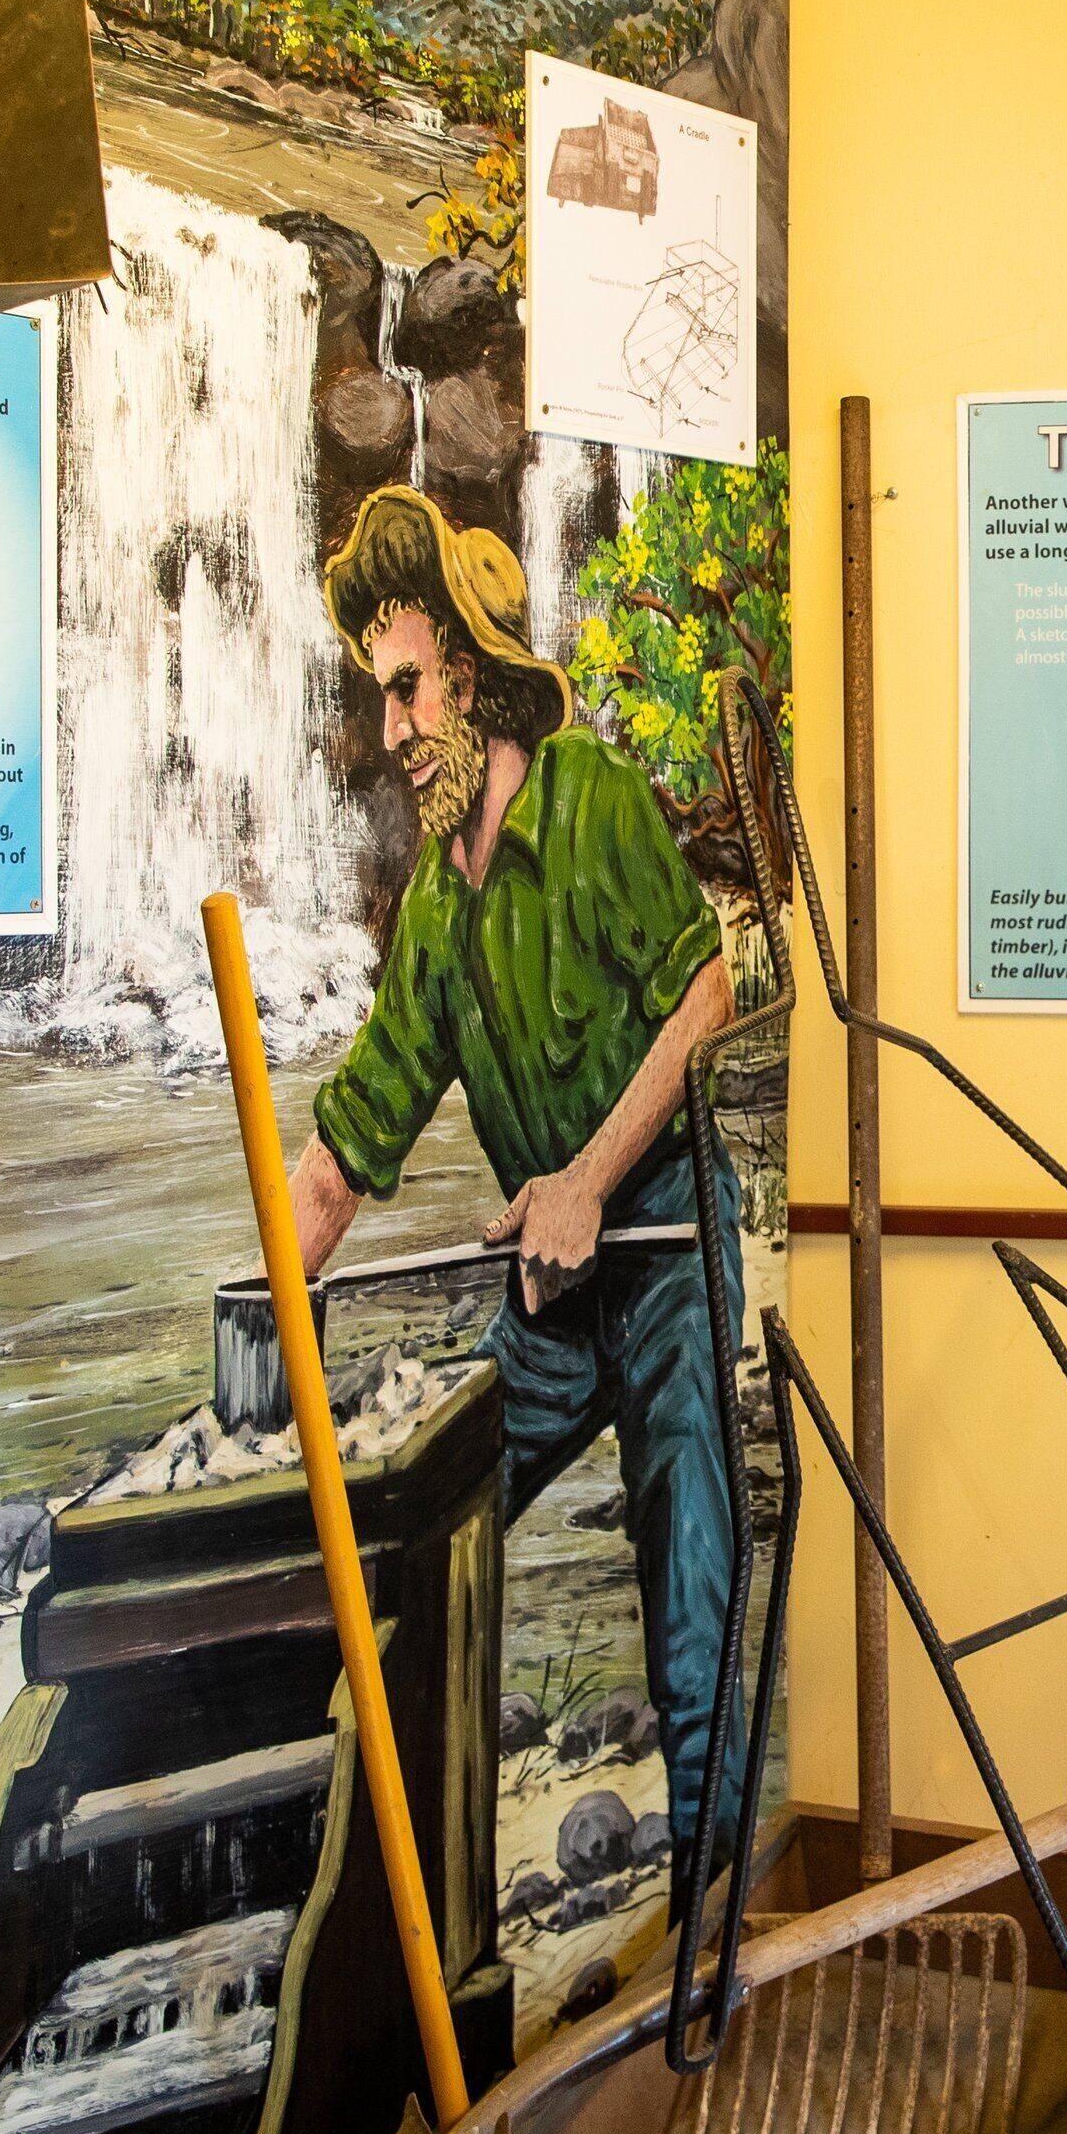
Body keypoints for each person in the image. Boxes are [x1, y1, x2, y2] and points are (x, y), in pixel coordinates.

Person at [290, 483, 748, 1869]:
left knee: (690, 1584)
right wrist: (265, 1308)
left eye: (413, 693)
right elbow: (352, 1140)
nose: (397, 735)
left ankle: (712, 1918)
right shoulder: (435, 910)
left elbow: (710, 993)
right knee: (435, 1516)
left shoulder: (595, 801)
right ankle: (417, 1880)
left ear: (477, 680)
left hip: (664, 1250)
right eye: (382, 702)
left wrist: (589, 1182)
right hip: (549, 1297)